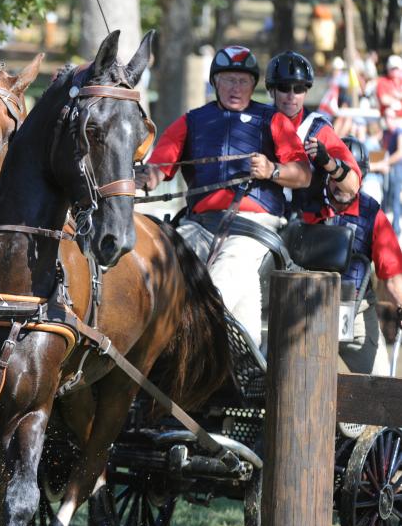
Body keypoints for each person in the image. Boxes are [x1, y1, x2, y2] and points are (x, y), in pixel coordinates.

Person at [143, 45, 311, 346]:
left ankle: (181, 356)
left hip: (254, 227)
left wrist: (272, 169)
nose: (236, 87)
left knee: (216, 287)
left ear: (254, 85)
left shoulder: (273, 120)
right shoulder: (192, 121)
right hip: (198, 225)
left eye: (243, 80)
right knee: (165, 272)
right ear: (215, 83)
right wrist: (140, 178)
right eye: (228, 80)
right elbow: (158, 168)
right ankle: (246, 366)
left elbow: (303, 174)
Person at [300, 136, 402, 376]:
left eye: (347, 176)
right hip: (304, 312)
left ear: (360, 178)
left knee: (379, 388)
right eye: (336, 177)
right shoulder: (305, 204)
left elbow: (393, 277)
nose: (341, 184)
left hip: (355, 313)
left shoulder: (373, 214)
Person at [264, 50, 361, 215]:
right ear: (272, 90)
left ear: (306, 91)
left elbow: (352, 187)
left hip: (307, 227)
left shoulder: (318, 129)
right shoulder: (258, 120)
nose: (291, 96)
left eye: (299, 88)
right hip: (263, 220)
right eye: (284, 87)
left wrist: (328, 162)